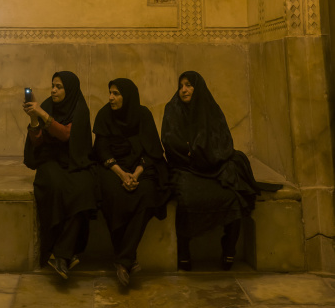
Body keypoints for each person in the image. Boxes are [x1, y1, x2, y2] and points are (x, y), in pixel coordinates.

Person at [161, 71, 281, 271]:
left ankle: (228, 248)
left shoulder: (210, 109)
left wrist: (199, 151)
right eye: (181, 85)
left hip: (213, 167)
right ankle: (184, 250)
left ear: (198, 87)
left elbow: (223, 141)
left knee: (233, 195)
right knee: (187, 198)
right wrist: (193, 152)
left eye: (189, 85)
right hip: (185, 168)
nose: (184, 90)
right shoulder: (172, 109)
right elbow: (171, 143)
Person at [93, 78, 170, 287]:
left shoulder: (142, 114)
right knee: (113, 194)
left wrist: (135, 174)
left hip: (140, 168)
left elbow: (152, 150)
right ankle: (128, 259)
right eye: (110, 92)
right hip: (113, 168)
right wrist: (121, 174)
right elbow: (101, 150)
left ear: (127, 96)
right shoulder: (104, 115)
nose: (111, 97)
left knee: (146, 194)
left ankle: (123, 260)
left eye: (116, 93)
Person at [23, 71, 97, 280]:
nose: (53, 90)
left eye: (59, 87)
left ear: (70, 89)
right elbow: (37, 142)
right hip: (51, 159)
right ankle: (61, 254)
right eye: (53, 86)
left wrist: (42, 115)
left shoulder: (80, 108)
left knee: (84, 191)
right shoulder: (46, 105)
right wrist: (34, 119)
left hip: (76, 160)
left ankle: (61, 254)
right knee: (53, 187)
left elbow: (66, 134)